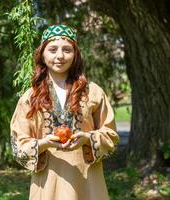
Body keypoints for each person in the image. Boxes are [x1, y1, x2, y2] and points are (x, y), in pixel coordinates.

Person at [10, 24, 119, 200]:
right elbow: (18, 145)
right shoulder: (30, 98)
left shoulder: (93, 92)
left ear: (75, 55)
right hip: (48, 185)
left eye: (67, 50)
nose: (60, 56)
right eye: (52, 49)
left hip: (87, 183)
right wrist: (43, 143)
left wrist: (87, 139)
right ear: (42, 55)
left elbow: (111, 136)